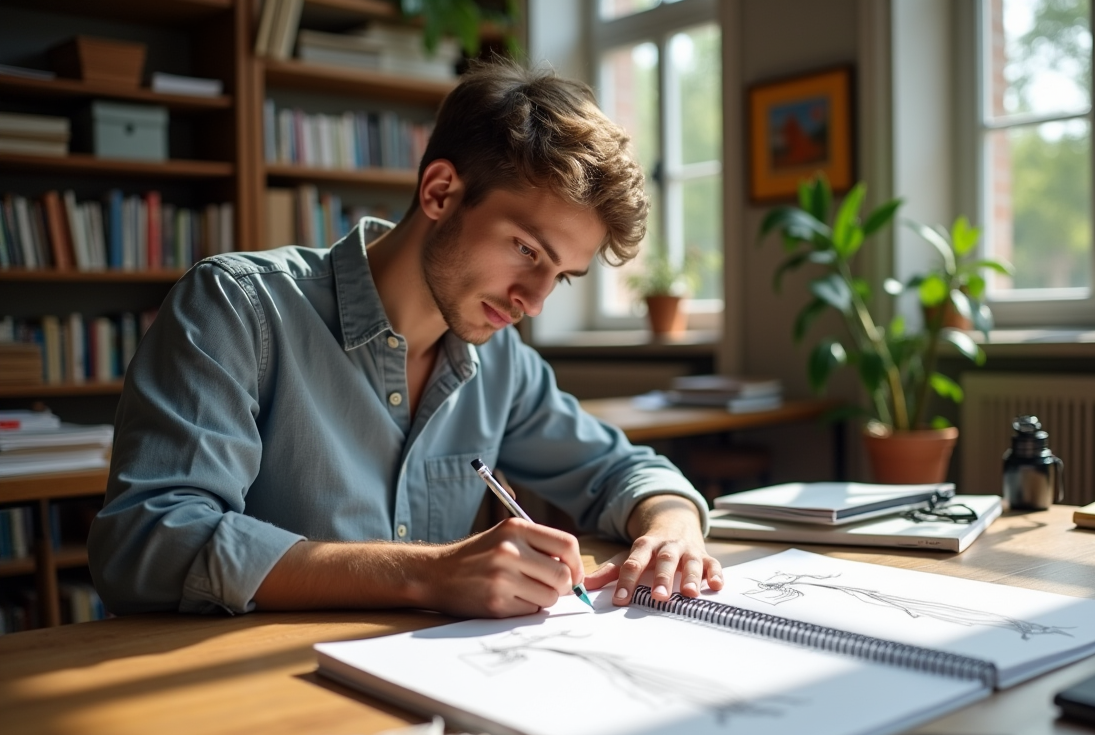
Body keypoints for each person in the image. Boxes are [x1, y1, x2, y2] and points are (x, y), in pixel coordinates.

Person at [89, 59, 724, 619]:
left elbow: (623, 469)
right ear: (440, 191)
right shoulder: (238, 307)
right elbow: (148, 541)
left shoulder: (499, 359)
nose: (531, 300)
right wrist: (429, 572)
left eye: (559, 275)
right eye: (526, 249)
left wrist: (671, 525)